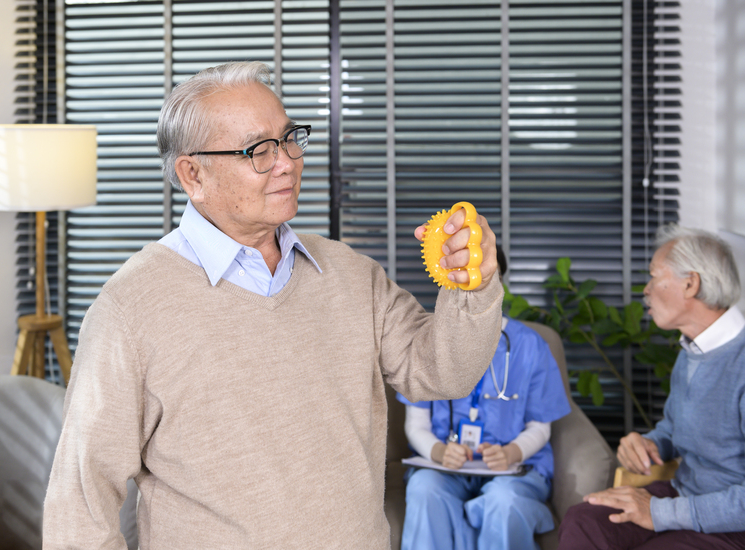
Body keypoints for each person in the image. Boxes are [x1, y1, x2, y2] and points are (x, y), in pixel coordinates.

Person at [42, 61, 504, 549]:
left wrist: (471, 285)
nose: (286, 161)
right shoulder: (129, 309)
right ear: (192, 173)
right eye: (257, 150)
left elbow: (444, 372)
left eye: (288, 138)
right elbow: (80, 509)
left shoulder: (350, 273)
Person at [558, 225, 745, 550]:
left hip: (729, 523)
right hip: (682, 494)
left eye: (654, 277)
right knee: (584, 521)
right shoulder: (692, 352)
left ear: (691, 284)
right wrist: (648, 444)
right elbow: (674, 428)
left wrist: (661, 513)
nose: (645, 290)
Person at [397, 248, 572, 550]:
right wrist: (438, 451)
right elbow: (416, 424)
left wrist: (512, 453)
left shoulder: (530, 345)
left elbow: (540, 426)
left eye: (486, 278)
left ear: (499, 283)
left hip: (512, 471)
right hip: (447, 469)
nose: (474, 288)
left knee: (504, 501)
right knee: (424, 488)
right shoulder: (431, 341)